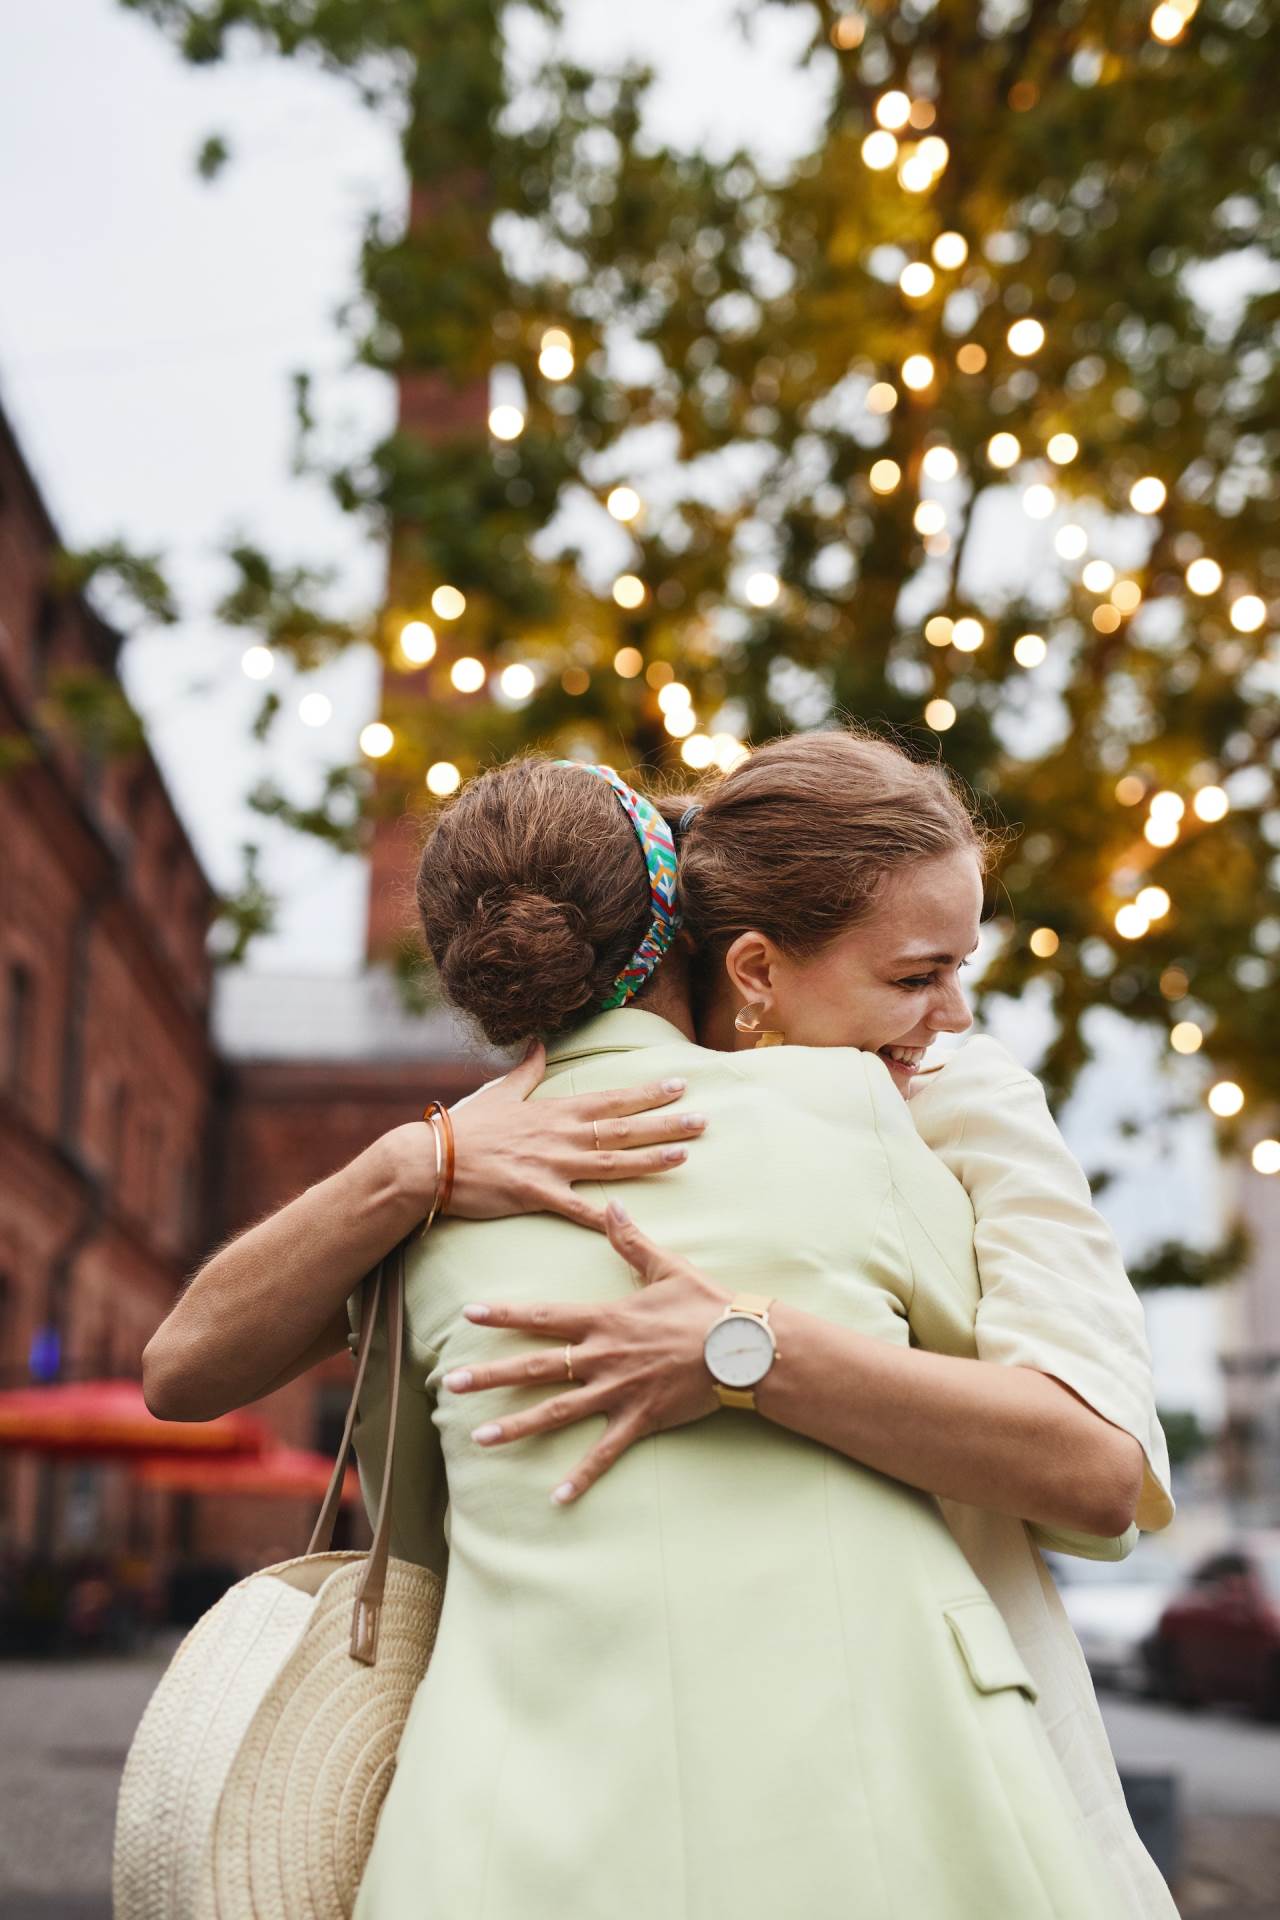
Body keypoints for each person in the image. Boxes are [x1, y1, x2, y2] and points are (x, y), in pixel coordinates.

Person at [144, 730, 1175, 1917]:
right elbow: (187, 1368)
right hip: (805, 1805)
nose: (949, 1015)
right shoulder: (503, 1146)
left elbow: (1094, 1465)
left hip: (795, 1775)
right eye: (912, 976)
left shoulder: (950, 1095)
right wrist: (410, 1164)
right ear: (749, 969)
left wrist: (742, 1350)